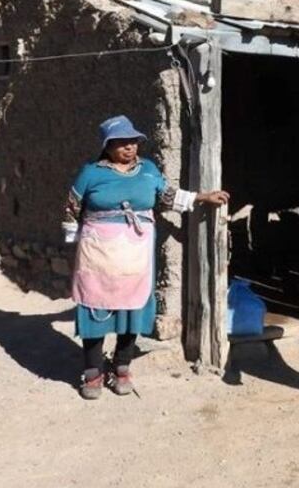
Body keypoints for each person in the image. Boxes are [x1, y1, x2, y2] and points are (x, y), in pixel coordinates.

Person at [63, 115, 228, 400]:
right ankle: (92, 372)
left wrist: (202, 197)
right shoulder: (91, 173)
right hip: (98, 253)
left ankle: (122, 367)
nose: (129, 147)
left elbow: (167, 196)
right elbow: (71, 207)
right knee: (95, 307)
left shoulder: (149, 170)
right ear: (107, 146)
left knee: (131, 309)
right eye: (122, 142)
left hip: (135, 253)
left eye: (134, 142)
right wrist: (73, 246)